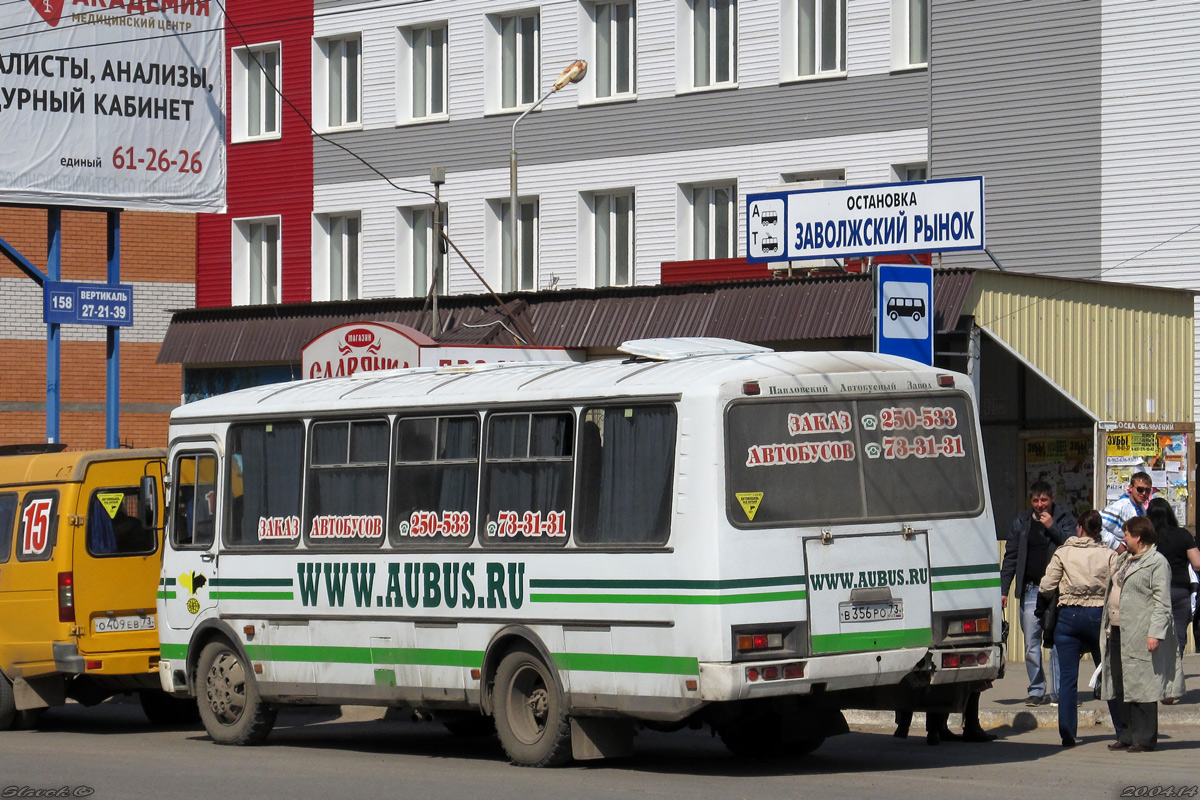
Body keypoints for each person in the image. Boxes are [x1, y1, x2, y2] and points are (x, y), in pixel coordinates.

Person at [1100, 516, 1184, 753]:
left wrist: (1155, 633)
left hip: (1142, 632)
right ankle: (1126, 735)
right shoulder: (1125, 560)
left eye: (1126, 534)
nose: (1123, 538)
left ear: (1138, 536)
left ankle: (1144, 738)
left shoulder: (1157, 562)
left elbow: (1162, 602)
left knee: (1143, 685)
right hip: (1117, 630)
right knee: (1121, 683)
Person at [1039, 509, 1117, 747]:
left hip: (1068, 618)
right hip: (1098, 618)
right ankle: (1123, 729)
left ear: (1080, 529)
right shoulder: (1109, 554)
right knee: (1108, 674)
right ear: (1098, 530)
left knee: (1068, 679)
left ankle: (1067, 733)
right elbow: (1117, 584)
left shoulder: (1064, 552)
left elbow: (1045, 585)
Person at [1001, 480, 1075, 706]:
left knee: (1056, 642)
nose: (1040, 505)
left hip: (1059, 590)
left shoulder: (1064, 519)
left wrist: (1052, 526)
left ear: (1052, 498)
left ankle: (1060, 692)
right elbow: (1011, 557)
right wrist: (1004, 590)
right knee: (1031, 644)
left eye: (1044, 500)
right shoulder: (1022, 522)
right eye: (1035, 500)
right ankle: (1036, 689)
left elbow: (1072, 544)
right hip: (1031, 589)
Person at [1145, 497, 1200, 660]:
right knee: (1178, 638)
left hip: (1153, 591)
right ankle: (1175, 674)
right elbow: (1197, 563)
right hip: (1179, 591)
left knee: (1154, 634)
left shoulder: (1148, 538)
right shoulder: (1183, 534)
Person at [1100, 472, 1153, 551]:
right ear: (1131, 488)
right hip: (1114, 555)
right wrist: (1116, 545)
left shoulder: (1143, 511)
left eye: (1147, 490)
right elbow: (1097, 525)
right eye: (1140, 489)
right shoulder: (1120, 506)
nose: (1144, 493)